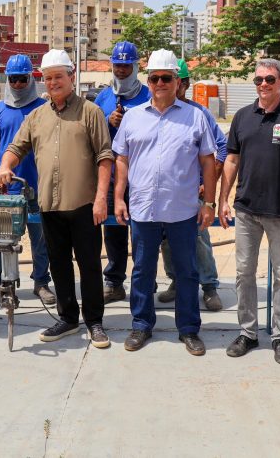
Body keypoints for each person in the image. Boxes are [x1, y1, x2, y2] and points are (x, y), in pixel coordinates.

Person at [0, 49, 114, 349]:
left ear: (71, 77)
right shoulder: (36, 116)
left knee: (88, 265)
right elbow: (15, 146)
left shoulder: (91, 112)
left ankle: (94, 321)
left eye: (58, 77)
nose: (53, 83)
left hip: (85, 205)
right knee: (59, 264)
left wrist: (102, 198)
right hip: (49, 205)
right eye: (47, 78)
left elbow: (104, 156)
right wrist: (5, 166)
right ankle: (68, 318)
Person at [113, 50, 217, 356]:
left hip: (182, 210)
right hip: (143, 209)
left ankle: (188, 329)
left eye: (167, 78)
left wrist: (208, 203)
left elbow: (209, 162)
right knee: (142, 270)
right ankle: (141, 325)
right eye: (155, 78)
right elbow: (121, 159)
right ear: (149, 80)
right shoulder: (133, 117)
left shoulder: (194, 116)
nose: (160, 83)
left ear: (177, 82)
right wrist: (119, 197)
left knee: (187, 272)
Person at [219, 58, 280, 365]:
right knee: (244, 274)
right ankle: (248, 333)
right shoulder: (243, 117)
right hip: (247, 210)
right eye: (258, 80)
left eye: (269, 79)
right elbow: (231, 160)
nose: (263, 85)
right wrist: (223, 199)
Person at [0, 54, 56, 307]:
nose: (18, 84)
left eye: (22, 79)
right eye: (13, 79)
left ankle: (41, 282)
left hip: (37, 187)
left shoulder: (43, 109)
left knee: (40, 238)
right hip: (7, 188)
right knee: (4, 239)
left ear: (31, 78)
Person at [158, 59, 226, 312]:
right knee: (166, 240)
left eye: (179, 82)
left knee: (198, 239)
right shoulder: (158, 111)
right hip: (166, 192)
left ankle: (209, 286)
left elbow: (221, 148)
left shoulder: (200, 114)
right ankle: (176, 281)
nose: (175, 87)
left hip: (193, 191)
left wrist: (208, 185)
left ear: (183, 83)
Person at [94, 41, 150, 303]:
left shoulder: (149, 95)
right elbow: (91, 135)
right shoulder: (103, 98)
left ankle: (144, 282)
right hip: (112, 176)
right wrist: (108, 122)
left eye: (127, 65)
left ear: (136, 66)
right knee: (114, 233)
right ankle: (114, 282)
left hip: (141, 178)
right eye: (118, 65)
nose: (122, 70)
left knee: (143, 233)